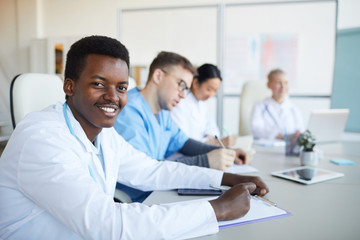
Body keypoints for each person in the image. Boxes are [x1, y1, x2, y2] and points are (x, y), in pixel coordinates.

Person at [0, 35, 269, 240]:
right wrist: (217, 209)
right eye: (98, 83)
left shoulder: (103, 134)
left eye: (121, 87)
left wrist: (226, 178)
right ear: (69, 86)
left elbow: (152, 171)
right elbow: (106, 223)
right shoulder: (42, 139)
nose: (113, 97)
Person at [114, 52, 251, 202]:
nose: (184, 95)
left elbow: (185, 143)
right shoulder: (129, 112)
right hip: (138, 200)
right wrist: (206, 161)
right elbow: (147, 171)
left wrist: (226, 152)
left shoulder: (162, 113)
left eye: (187, 89)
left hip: (160, 191)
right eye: (181, 85)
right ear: (158, 76)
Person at [170, 63, 237, 147]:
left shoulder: (202, 104)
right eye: (209, 89)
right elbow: (184, 142)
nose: (212, 94)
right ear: (195, 83)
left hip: (200, 150)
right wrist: (212, 142)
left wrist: (210, 139)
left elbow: (212, 129)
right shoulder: (179, 103)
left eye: (215, 91)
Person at [250, 69, 305, 140]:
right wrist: (278, 135)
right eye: (278, 83)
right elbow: (256, 129)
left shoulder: (294, 109)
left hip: (290, 147)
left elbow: (300, 131)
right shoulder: (259, 106)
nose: (283, 86)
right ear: (269, 85)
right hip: (266, 147)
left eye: (286, 83)